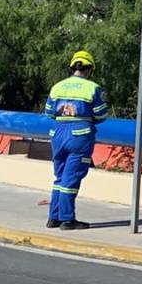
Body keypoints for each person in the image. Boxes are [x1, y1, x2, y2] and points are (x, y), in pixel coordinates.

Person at [44, 50, 109, 230]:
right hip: (79, 135)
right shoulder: (93, 88)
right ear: (90, 69)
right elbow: (101, 114)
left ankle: (53, 217)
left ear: (73, 66)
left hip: (57, 133)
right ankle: (67, 219)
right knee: (71, 178)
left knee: (60, 176)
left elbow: (49, 112)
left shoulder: (57, 87)